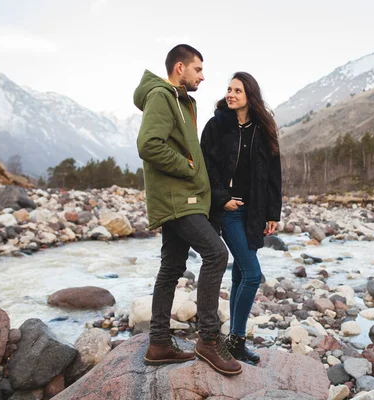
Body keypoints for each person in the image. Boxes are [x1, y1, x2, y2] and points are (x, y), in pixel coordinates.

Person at [134, 44, 242, 376]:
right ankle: (208, 341)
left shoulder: (181, 101)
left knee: (171, 268)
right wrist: (188, 166)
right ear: (180, 67)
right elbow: (148, 144)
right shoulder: (162, 97)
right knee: (216, 255)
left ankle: (159, 344)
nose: (203, 75)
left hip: (181, 198)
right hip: (178, 200)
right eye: (198, 69)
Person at [201, 72, 282, 364]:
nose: (231, 94)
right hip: (229, 210)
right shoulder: (216, 125)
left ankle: (234, 340)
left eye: (238, 90)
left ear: (250, 95)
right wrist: (221, 198)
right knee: (251, 273)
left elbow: (274, 173)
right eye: (229, 89)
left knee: (239, 274)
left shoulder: (263, 127)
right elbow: (205, 166)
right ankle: (236, 339)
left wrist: (273, 212)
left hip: (255, 210)